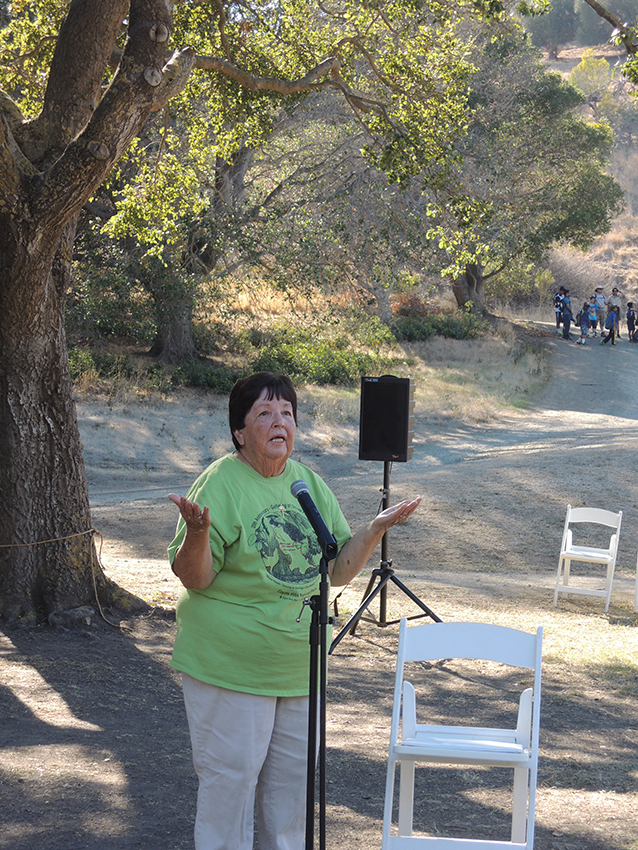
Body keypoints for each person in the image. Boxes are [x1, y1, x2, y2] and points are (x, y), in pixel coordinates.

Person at [167, 371, 421, 850]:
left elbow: (338, 570)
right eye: (264, 413)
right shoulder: (220, 483)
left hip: (300, 670)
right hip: (231, 670)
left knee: (290, 802)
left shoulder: (307, 484)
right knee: (230, 793)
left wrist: (373, 530)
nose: (279, 421)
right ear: (240, 432)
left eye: (286, 412)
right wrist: (198, 533)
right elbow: (195, 577)